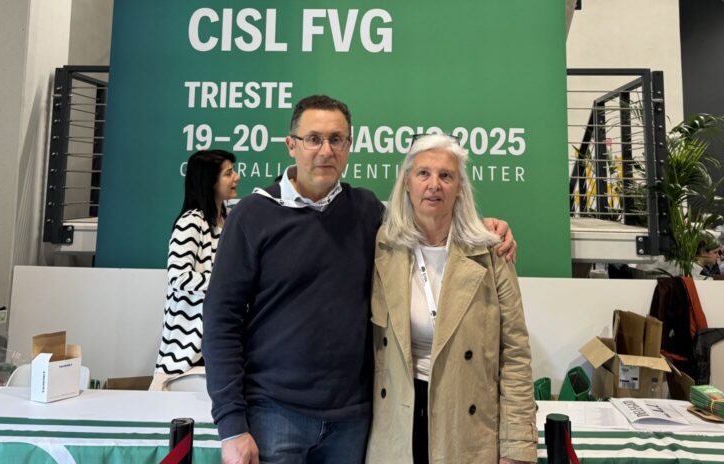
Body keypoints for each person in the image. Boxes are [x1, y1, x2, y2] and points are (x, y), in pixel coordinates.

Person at [203, 95, 515, 464]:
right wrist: (232, 427)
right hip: (275, 415)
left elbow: (430, 218)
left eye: (337, 139)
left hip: (353, 423)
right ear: (291, 145)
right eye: (313, 139)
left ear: (349, 146)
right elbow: (220, 321)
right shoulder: (253, 215)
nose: (326, 151)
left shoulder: (368, 212)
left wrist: (486, 228)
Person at [365, 134, 535, 464]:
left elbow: (515, 353)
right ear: (407, 183)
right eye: (423, 174)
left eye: (446, 175)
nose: (434, 185)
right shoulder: (383, 246)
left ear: (460, 188)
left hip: (467, 423)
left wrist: (516, 447)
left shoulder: (491, 251)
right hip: (397, 421)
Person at [151, 149, 239, 390]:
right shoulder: (191, 221)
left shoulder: (228, 220)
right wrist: (228, 283)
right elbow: (178, 277)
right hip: (189, 344)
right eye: (228, 173)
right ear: (209, 181)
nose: (236, 177)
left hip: (220, 335)